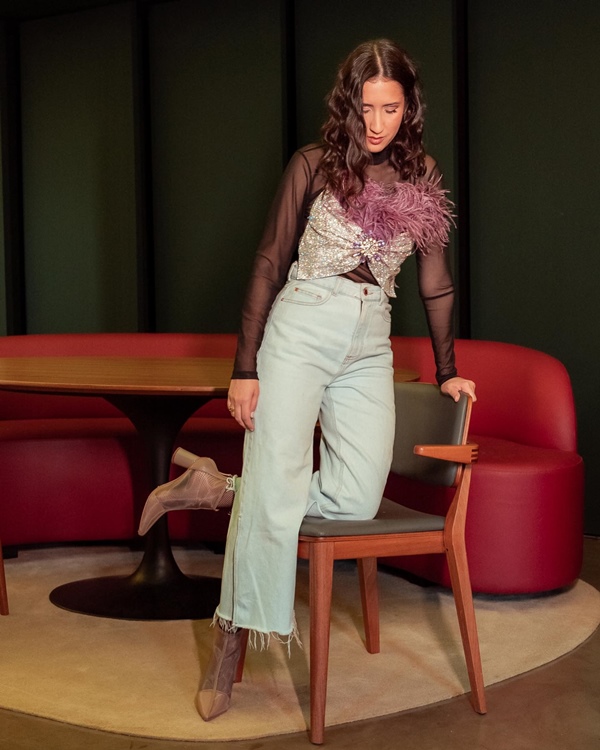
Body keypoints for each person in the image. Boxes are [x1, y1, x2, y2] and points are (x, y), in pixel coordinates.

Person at [138, 38, 476, 722]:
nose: (377, 122)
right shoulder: (314, 165)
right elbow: (267, 261)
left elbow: (434, 283)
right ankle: (231, 641)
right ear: (346, 105)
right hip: (300, 325)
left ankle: (218, 487)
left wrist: (448, 371)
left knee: (356, 496)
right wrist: (243, 367)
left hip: (369, 337)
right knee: (279, 478)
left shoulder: (422, 177)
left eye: (391, 107)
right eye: (366, 106)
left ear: (409, 107)